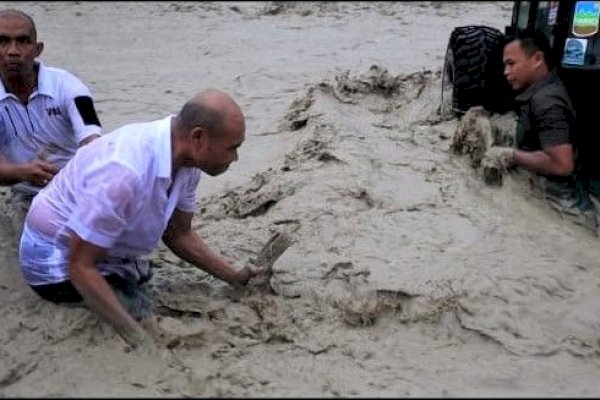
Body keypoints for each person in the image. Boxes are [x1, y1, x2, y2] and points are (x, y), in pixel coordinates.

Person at [18, 89, 264, 347]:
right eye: (232, 148)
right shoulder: (124, 173)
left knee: (140, 287)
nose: (235, 158)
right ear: (198, 137)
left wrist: (234, 277)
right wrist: (140, 341)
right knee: (141, 313)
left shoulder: (188, 162)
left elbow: (178, 234)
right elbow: (80, 267)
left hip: (97, 252)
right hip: (54, 259)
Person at [0, 9, 102, 237]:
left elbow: (93, 143)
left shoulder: (69, 87)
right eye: (3, 41)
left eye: (23, 41)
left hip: (77, 191)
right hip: (25, 194)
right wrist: (24, 172)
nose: (13, 51)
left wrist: (74, 178)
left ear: (37, 49)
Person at [480, 30, 594, 229]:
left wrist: (511, 155)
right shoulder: (542, 93)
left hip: (565, 213)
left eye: (511, 64)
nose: (505, 72)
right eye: (504, 65)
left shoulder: (546, 102)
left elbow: (562, 164)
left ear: (537, 59)